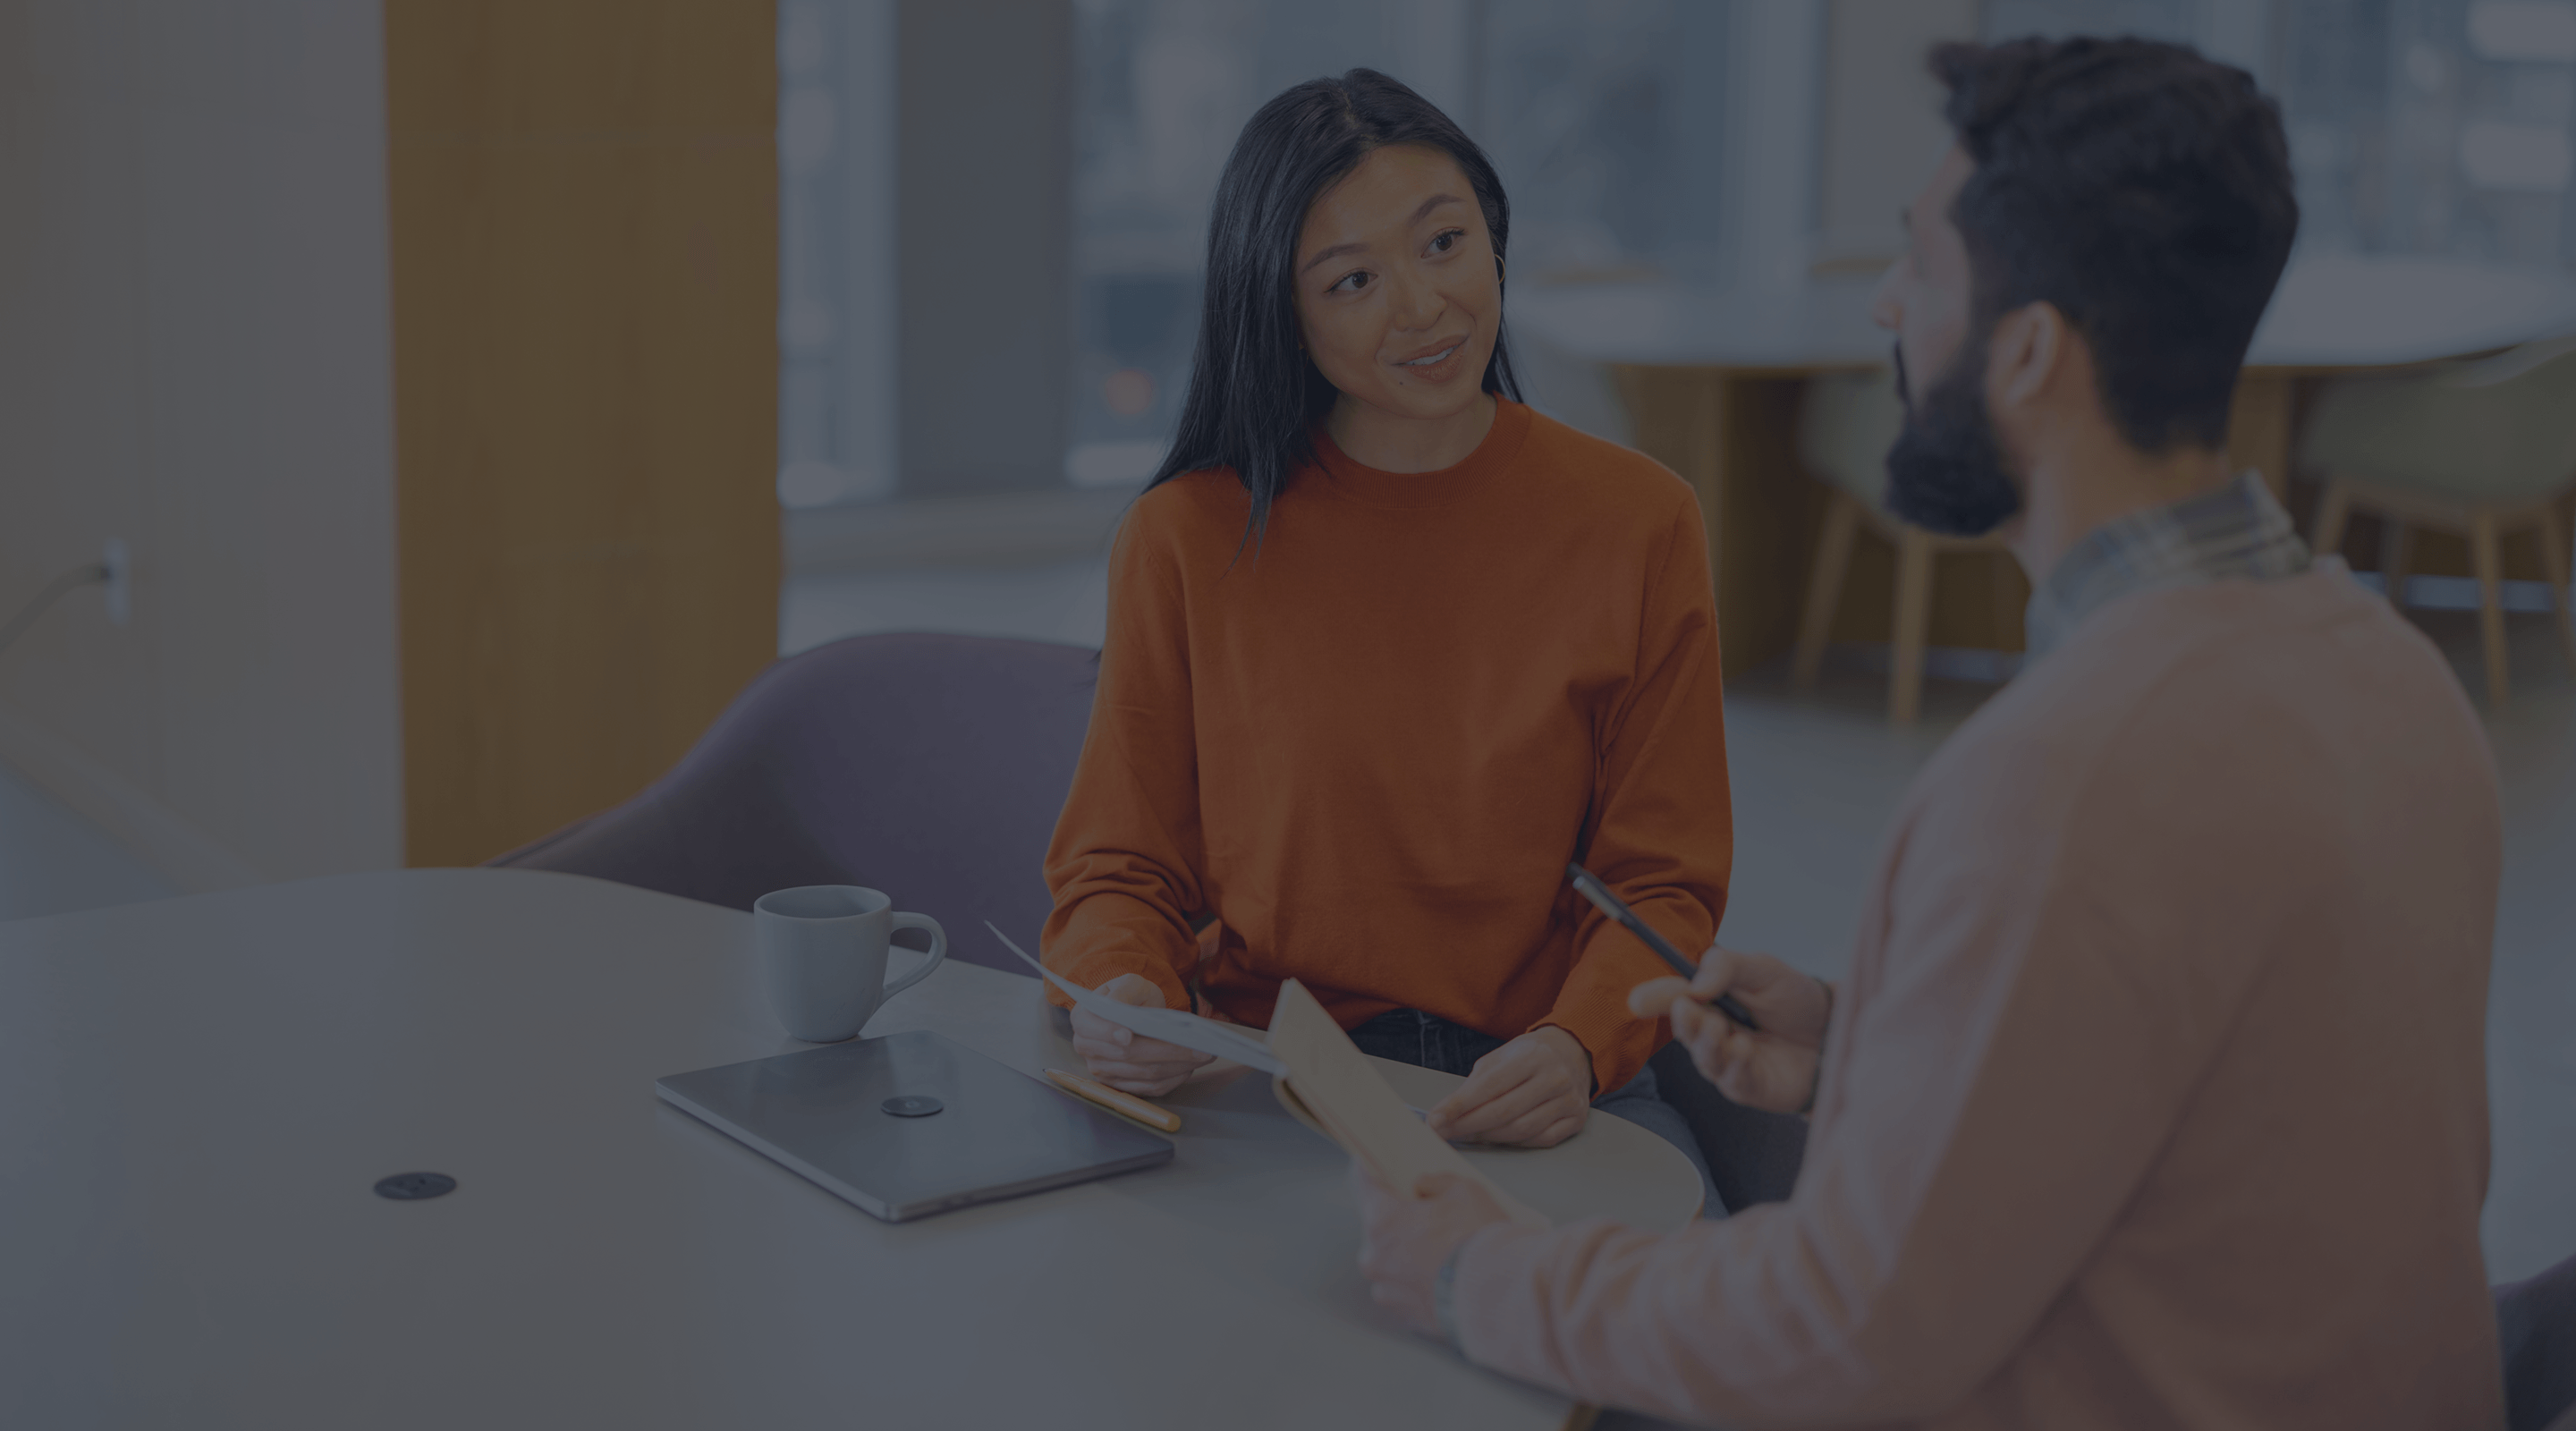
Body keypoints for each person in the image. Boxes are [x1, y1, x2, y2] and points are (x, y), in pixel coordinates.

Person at [1353, 36, 2506, 1429]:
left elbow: (1837, 1336)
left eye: (1924, 269)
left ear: (2026, 351)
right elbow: (2250, 1108)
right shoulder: (2392, 673)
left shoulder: (2066, 778)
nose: (1889, 308)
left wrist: (1484, 1275)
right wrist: (1876, 1055)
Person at [1041, 69, 1732, 1202]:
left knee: (1665, 1352)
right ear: (1282, 308)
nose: (1423, 306)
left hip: (1546, 1075)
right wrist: (1125, 996)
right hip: (1271, 1073)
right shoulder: (1184, 536)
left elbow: (1663, 884)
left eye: (1445, 243)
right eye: (1353, 279)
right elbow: (1119, 867)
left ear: (1494, 240)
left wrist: (1577, 1047)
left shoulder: (1641, 521)